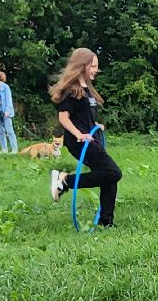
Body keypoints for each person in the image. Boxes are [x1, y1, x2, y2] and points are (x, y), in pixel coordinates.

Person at [47, 48, 122, 228]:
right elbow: (63, 118)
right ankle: (66, 181)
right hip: (80, 141)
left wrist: (95, 123)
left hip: (91, 137)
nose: (96, 70)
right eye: (93, 66)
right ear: (82, 66)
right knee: (114, 172)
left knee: (108, 177)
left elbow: (83, 115)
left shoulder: (86, 89)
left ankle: (106, 222)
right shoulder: (71, 90)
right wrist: (79, 134)